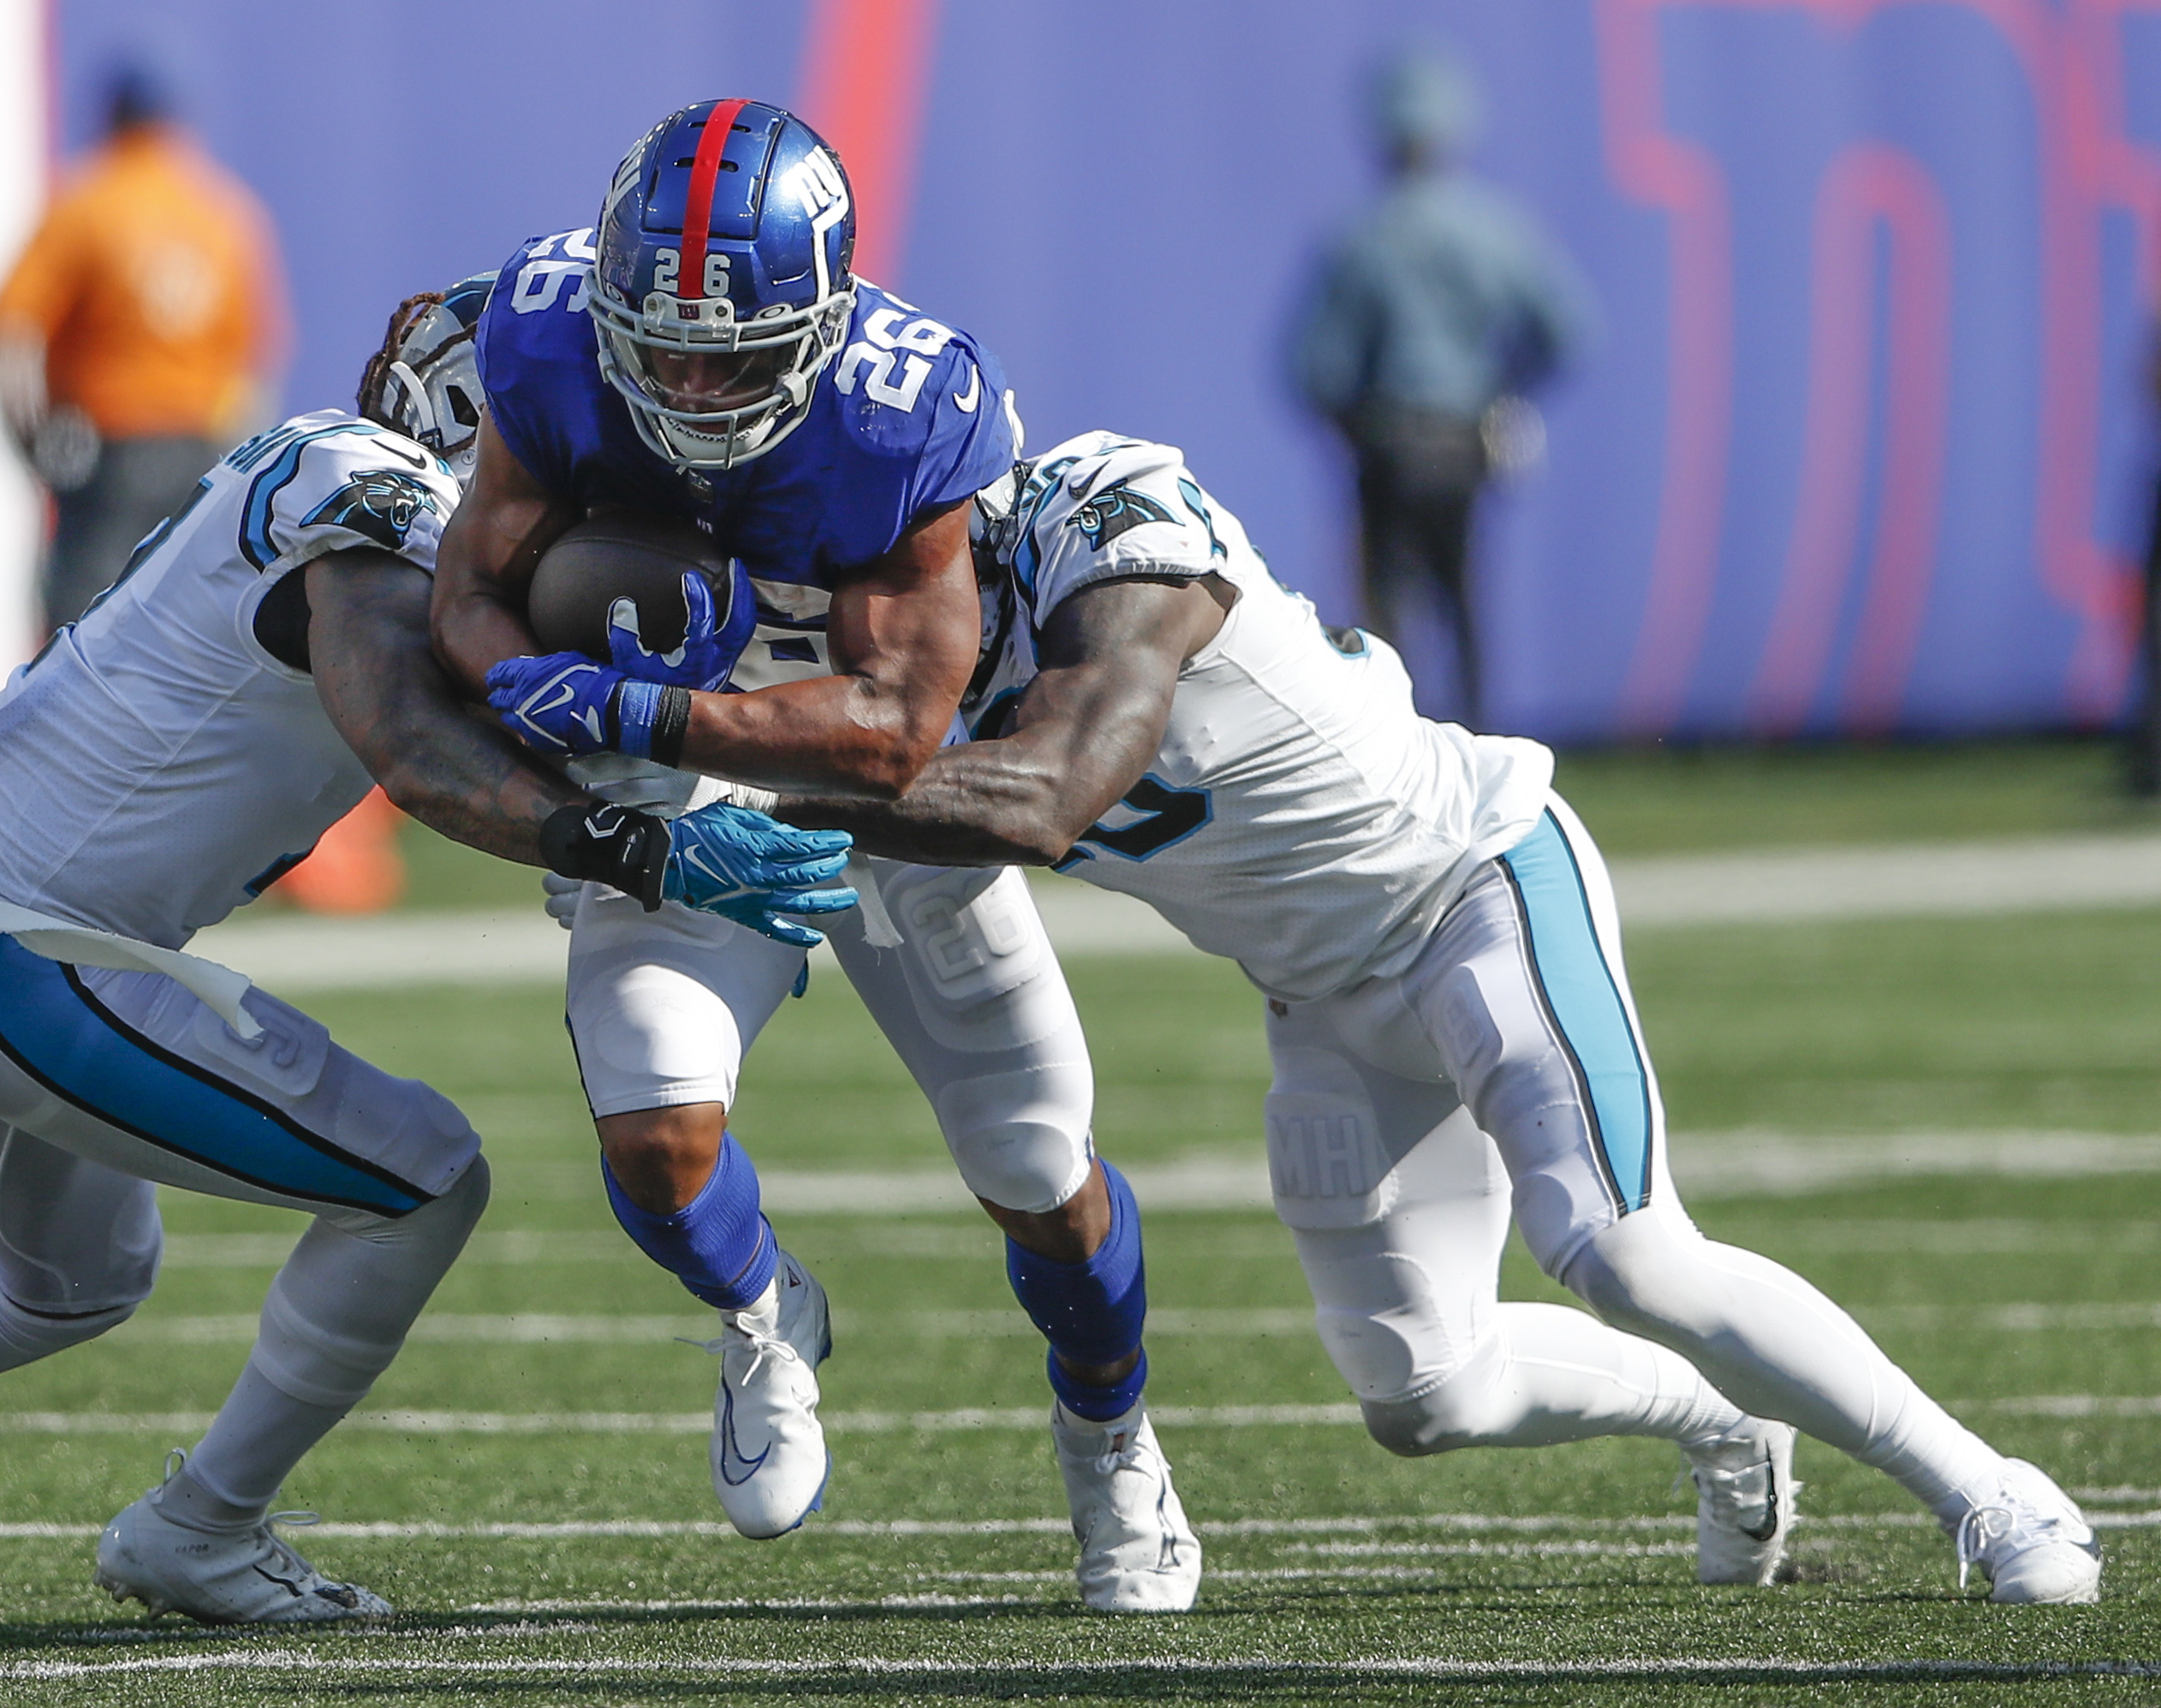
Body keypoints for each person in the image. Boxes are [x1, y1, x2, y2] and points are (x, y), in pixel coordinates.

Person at [0, 283, 856, 1628]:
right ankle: (202, 1529)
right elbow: (415, 746)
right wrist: (628, 853)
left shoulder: (347, 483)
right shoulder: (377, 511)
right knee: (421, 1184)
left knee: (65, 1284)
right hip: (26, 951)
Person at [759, 428, 2102, 1604]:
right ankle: (1723, 1419)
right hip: (1323, 999)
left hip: (1474, 886)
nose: (861, 622)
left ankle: (1993, 1494)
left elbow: (1042, 793)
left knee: (1628, 1255)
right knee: (1424, 1398)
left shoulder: (1107, 520)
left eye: (880, 576)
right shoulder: (881, 659)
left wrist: (752, 785)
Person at [434, 98, 1200, 1612]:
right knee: (654, 1139)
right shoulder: (545, 337)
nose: (687, 379)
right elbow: (471, 583)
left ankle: (1113, 1438)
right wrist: (520, 678)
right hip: (678, 790)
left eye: (729, 351)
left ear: (824, 319)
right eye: (656, 340)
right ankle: (763, 1316)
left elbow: (892, 729)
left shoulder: (902, 407)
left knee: (1040, 1166)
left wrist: (645, 699)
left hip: (891, 822)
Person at [1289, 42, 1586, 727]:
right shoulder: (1496, 228)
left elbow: (1313, 368)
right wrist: (1501, 388)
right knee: (1463, 597)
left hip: (1387, 443)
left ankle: (1396, 752)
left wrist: (1353, 427)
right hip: (1464, 441)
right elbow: (1567, 330)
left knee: (1386, 606)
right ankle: (1482, 745)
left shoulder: (1362, 237)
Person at [0, 67, 285, 637]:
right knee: (190, 628)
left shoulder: (89, 205)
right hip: (201, 450)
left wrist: (25, 439)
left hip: (108, 449)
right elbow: (253, 365)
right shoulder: (224, 215)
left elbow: (8, 330)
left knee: (79, 630)